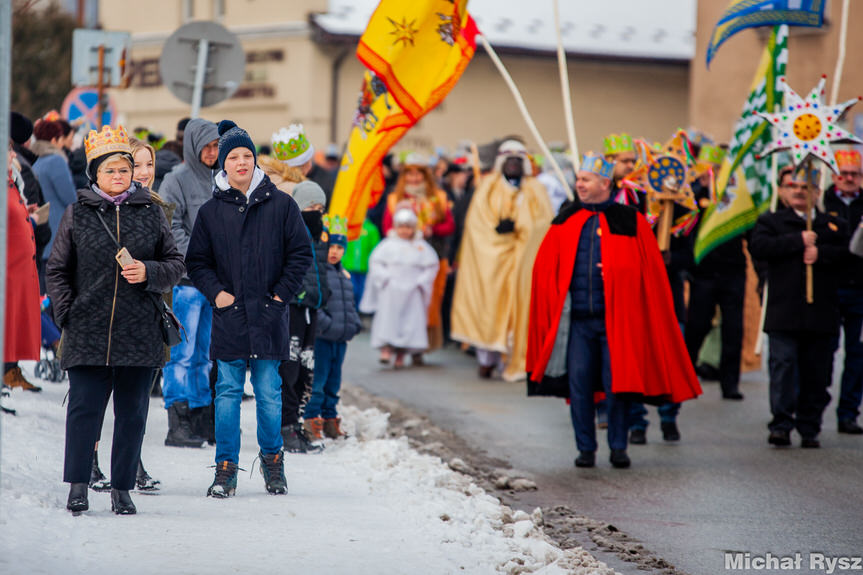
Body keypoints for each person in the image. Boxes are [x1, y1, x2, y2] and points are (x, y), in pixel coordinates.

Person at [526, 153, 701, 468]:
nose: (579, 184)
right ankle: (585, 449)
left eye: (586, 179)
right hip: (578, 322)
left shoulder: (629, 220)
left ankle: (619, 446)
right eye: (578, 178)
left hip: (617, 321)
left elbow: (649, 274)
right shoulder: (565, 218)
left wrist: (622, 276)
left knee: (617, 385)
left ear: (605, 183)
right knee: (579, 385)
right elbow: (545, 270)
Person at [46, 125, 184, 515]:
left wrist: (149, 272)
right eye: (110, 170)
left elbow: (176, 264)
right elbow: (56, 270)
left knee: (133, 415)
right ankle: (78, 485)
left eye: (124, 169)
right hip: (87, 331)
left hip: (139, 332)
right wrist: (66, 312)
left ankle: (122, 489)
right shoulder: (77, 214)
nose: (119, 176)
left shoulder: (152, 212)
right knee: (84, 412)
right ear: (95, 175)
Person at [186, 120, 312, 498]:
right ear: (222, 165)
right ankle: (226, 469)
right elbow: (197, 262)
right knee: (226, 391)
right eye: (233, 157)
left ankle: (273, 464)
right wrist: (217, 294)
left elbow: (300, 255)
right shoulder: (211, 212)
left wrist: (279, 297)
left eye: (247, 156)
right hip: (230, 319)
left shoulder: (282, 205)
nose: (241, 162)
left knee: (269, 392)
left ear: (255, 161)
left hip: (270, 317)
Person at [749, 165, 848, 448]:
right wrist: (797, 241)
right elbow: (759, 247)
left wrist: (822, 253)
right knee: (783, 366)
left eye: (805, 187)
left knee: (817, 371)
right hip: (784, 311)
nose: (798, 192)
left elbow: (849, 256)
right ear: (782, 191)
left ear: (817, 191)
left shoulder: (833, 225)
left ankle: (810, 424)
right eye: (793, 186)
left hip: (821, 312)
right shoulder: (771, 221)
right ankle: (781, 422)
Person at [451, 140, 554, 380]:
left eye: (519, 160)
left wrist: (521, 226)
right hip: (494, 258)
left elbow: (544, 222)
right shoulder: (488, 186)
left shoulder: (535, 189)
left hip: (523, 260)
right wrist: (498, 231)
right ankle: (487, 359)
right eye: (510, 160)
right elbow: (478, 225)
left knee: (522, 307)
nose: (514, 165)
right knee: (490, 304)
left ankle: (518, 359)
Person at [159, 118, 220, 448]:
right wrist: (199, 262)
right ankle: (177, 419)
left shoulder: (221, 180)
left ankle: (199, 414)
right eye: (206, 147)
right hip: (184, 283)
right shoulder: (176, 180)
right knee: (180, 354)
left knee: (203, 355)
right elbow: (173, 228)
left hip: (213, 284)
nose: (212, 153)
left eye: (216, 146)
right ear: (193, 147)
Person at [685, 143, 746, 400]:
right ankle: (686, 376)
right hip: (704, 272)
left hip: (732, 270)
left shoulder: (736, 199)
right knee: (696, 326)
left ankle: (730, 382)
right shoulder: (693, 196)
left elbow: (748, 230)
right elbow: (685, 232)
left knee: (733, 329)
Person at [382, 153, 455, 359]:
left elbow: (449, 224)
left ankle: (420, 347)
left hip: (431, 257)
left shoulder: (438, 197)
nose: (414, 179)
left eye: (418, 175)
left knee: (429, 303)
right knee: (403, 303)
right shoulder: (395, 199)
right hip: (402, 262)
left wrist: (433, 229)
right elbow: (387, 226)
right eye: (410, 175)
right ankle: (398, 347)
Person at [278, 180, 331, 454]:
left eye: (320, 208)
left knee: (306, 370)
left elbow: (322, 271)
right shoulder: (289, 231)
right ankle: (284, 425)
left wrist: (326, 293)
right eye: (311, 207)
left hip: (312, 308)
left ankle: (295, 421)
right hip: (293, 309)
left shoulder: (320, 236)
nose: (317, 213)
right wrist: (296, 292)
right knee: (289, 368)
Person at [304, 215, 363, 440]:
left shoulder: (344, 276)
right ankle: (312, 420)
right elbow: (316, 305)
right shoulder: (320, 274)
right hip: (324, 338)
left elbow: (350, 305)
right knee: (318, 382)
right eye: (331, 246)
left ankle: (330, 418)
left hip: (341, 339)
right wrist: (326, 325)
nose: (335, 251)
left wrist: (354, 325)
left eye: (339, 247)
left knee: (333, 383)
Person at [360, 208, 440, 368]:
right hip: (391, 290)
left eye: (408, 227)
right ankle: (386, 349)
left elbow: (431, 265)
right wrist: (385, 278)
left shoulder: (420, 246)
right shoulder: (387, 245)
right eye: (401, 227)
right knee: (387, 320)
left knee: (409, 322)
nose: (405, 231)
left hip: (412, 290)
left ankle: (401, 354)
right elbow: (375, 262)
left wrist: (420, 281)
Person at [823, 149, 863, 434]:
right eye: (844, 173)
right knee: (824, 351)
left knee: (858, 354)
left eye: (855, 174)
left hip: (860, 289)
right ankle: (814, 408)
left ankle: (848, 412)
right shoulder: (822, 204)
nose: (849, 178)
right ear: (835, 176)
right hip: (830, 288)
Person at [3, 144, 41, 397]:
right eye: (9, 150)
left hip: (16, 272)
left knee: (10, 333)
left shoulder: (10, 180)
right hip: (7, 274)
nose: (15, 155)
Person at [31, 119, 76, 272]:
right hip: (57, 232)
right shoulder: (56, 161)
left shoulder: (33, 161)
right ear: (54, 140)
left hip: (39, 231)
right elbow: (70, 198)